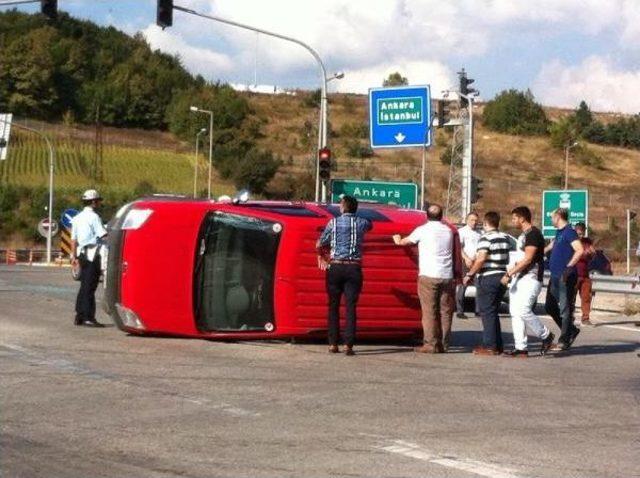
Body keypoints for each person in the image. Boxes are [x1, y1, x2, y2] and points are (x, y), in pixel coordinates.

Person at [392, 204, 461, 354]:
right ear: (441, 215)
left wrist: (397, 239)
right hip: (447, 276)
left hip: (428, 276)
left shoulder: (422, 230)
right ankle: (444, 343)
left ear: (426, 216)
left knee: (429, 311)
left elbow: (405, 242)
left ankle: (431, 344)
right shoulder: (449, 231)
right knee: (445, 311)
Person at [317, 195, 372, 356]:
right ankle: (349, 345)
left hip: (335, 267)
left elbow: (321, 242)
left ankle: (333, 343)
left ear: (342, 207)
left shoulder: (332, 223)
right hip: (353, 268)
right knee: (350, 307)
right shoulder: (362, 223)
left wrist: (321, 255)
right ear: (355, 208)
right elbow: (370, 225)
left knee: (333, 306)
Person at [499, 206, 555, 357]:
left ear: (522, 218)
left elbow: (529, 258)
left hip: (531, 278)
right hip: (521, 277)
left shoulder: (533, 234)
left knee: (523, 309)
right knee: (515, 312)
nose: (513, 221)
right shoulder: (524, 235)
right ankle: (521, 348)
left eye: (514, 218)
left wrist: (509, 273)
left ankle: (546, 335)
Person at [463, 212, 512, 355]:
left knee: (487, 312)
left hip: (488, 277)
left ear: (485, 223)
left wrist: (470, 274)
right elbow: (507, 259)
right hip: (501, 276)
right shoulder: (505, 238)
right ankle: (497, 345)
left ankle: (489, 346)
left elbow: (481, 258)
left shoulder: (485, 238)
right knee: (493, 312)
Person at [544, 208, 584, 351]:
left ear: (558, 216)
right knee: (549, 306)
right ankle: (571, 330)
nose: (551, 219)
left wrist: (569, 267)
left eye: (552, 216)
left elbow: (579, 249)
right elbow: (551, 247)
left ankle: (564, 340)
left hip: (565, 276)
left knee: (565, 310)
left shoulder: (569, 232)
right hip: (554, 276)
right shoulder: (559, 233)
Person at [71, 189, 107, 327]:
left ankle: (79, 315)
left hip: (81, 254)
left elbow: (73, 240)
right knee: (90, 287)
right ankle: (88, 317)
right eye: (98, 200)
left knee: (84, 285)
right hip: (92, 254)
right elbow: (103, 235)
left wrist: (73, 257)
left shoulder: (77, 218)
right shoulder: (94, 217)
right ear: (93, 202)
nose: (98, 203)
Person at [456, 212, 481, 319]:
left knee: (479, 286)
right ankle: (460, 310)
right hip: (465, 262)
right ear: (467, 220)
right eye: (472, 220)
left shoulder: (480, 233)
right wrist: (466, 258)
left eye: (476, 220)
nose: (474, 222)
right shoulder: (462, 232)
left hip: (476, 262)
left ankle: (478, 310)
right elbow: (459, 247)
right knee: (463, 286)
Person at [574, 222, 595, 326]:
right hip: (574, 273)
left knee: (586, 297)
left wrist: (591, 253)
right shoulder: (572, 241)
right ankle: (569, 318)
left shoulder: (587, 241)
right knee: (571, 297)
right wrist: (582, 253)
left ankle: (585, 318)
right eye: (578, 233)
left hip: (585, 273)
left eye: (582, 233)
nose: (580, 236)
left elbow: (592, 256)